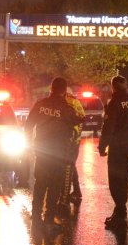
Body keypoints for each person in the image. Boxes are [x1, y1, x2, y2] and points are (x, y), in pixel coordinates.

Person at [25, 77, 84, 232]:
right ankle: (49, 219)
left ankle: (36, 217)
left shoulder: (40, 104)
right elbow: (78, 119)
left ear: (51, 88)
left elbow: (28, 125)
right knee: (54, 187)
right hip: (58, 155)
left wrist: (28, 145)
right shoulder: (66, 108)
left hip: (42, 152)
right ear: (64, 91)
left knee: (40, 184)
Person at [98, 74, 128, 229]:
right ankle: (120, 211)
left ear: (113, 87)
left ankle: (121, 215)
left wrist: (102, 146)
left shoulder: (114, 103)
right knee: (124, 180)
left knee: (116, 182)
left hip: (118, 148)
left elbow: (109, 127)